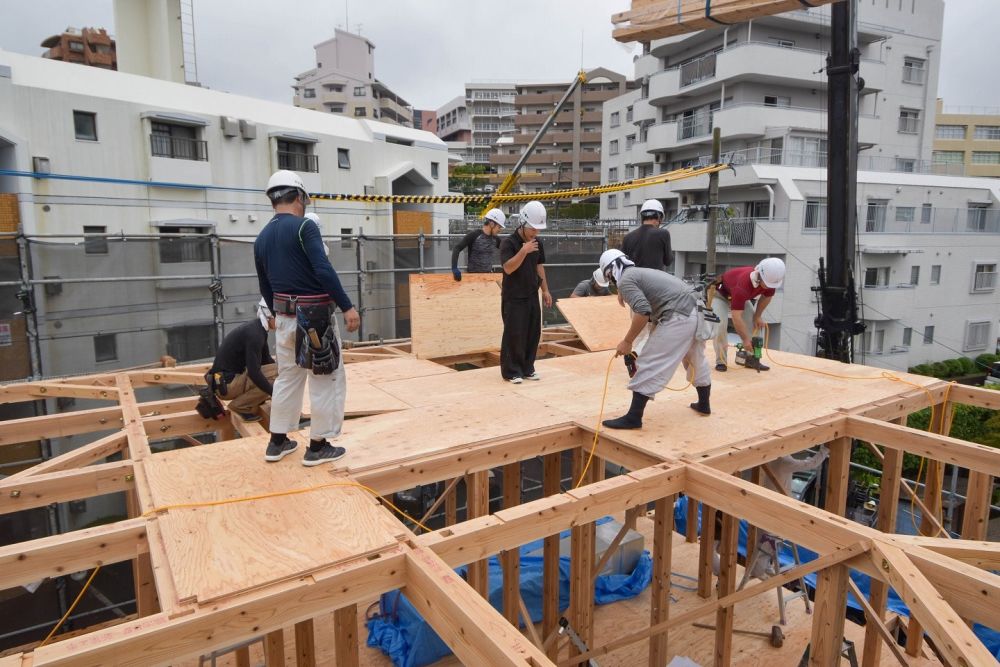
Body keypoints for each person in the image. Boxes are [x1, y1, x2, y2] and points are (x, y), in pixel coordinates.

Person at [254, 170, 361, 466]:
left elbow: (265, 284)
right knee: (327, 377)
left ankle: (277, 441)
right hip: (315, 318)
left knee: (288, 376)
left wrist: (276, 314)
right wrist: (347, 306)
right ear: (299, 197)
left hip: (285, 319)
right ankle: (318, 446)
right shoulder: (304, 228)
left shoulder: (261, 237)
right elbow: (323, 270)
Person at [595, 249, 712, 430]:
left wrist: (627, 341)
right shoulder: (639, 273)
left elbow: (643, 311)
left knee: (650, 360)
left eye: (609, 278)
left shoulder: (626, 280)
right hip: (698, 310)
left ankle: (634, 417)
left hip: (679, 314)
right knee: (695, 358)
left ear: (610, 272)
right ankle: (704, 404)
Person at [499, 200, 552, 384]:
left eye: (538, 230)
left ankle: (528, 368)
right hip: (513, 296)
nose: (535, 233)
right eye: (532, 229)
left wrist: (545, 290)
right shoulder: (509, 243)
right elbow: (508, 268)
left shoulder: (537, 242)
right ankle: (511, 371)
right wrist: (523, 251)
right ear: (523, 224)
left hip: (531, 293)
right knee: (514, 333)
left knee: (532, 332)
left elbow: (539, 266)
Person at [205, 300, 277, 421]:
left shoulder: (258, 329)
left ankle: (255, 399)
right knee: (277, 379)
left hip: (221, 382)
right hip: (226, 386)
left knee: (281, 372)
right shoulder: (255, 335)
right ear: (269, 317)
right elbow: (254, 372)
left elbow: (266, 361)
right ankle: (240, 406)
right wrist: (275, 393)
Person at [711, 258, 784, 372]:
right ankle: (721, 361)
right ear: (760, 276)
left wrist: (757, 316)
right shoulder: (743, 285)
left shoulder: (770, 281)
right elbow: (736, 317)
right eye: (768, 284)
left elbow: (766, 298)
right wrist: (745, 340)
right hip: (720, 294)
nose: (770, 287)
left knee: (754, 324)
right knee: (720, 326)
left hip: (739, 297)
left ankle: (752, 360)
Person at [451, 208, 506, 280]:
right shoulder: (474, 235)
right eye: (499, 227)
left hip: (488, 277)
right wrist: (455, 268)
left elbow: (506, 248)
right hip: (472, 277)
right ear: (492, 224)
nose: (499, 230)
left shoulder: (495, 239)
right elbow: (457, 248)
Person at [620, 199, 673, 272]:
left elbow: (622, 263)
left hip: (634, 281)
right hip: (654, 281)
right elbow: (668, 261)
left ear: (642, 217)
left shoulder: (627, 237)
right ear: (659, 217)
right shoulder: (663, 234)